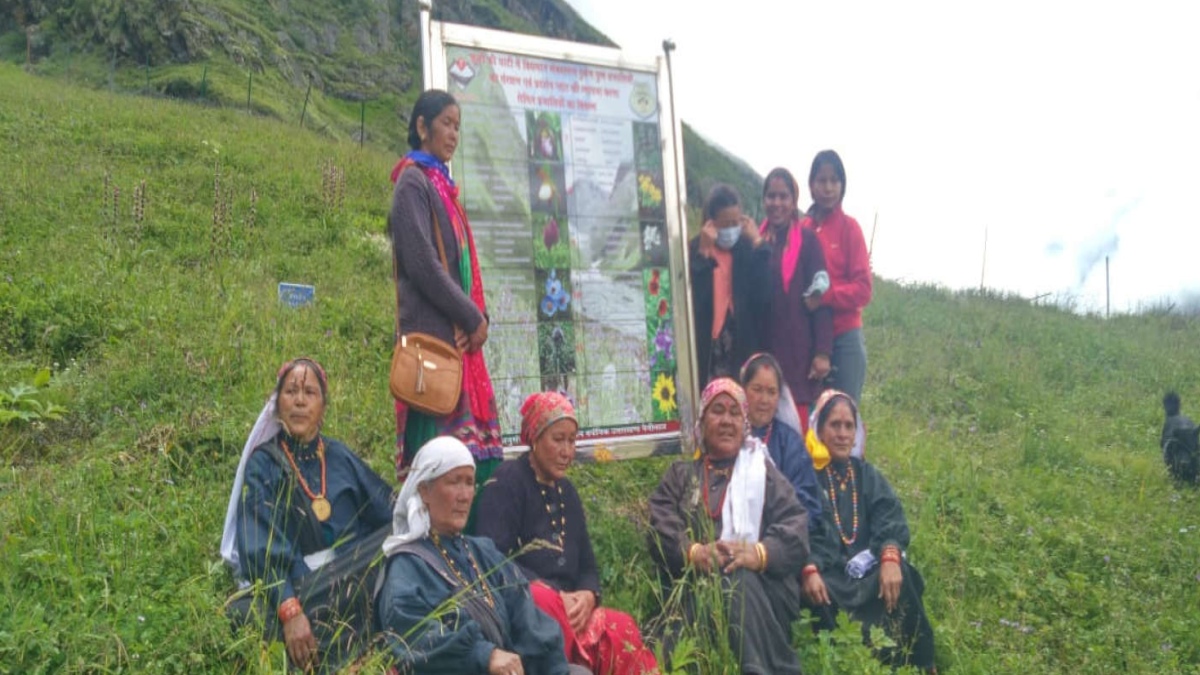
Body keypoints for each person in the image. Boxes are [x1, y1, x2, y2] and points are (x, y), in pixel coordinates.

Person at [222, 358, 393, 673]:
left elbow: (387, 511)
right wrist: (289, 609)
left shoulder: (339, 456)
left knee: (396, 541)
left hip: (353, 579)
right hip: (302, 588)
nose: (299, 401)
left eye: (310, 392)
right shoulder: (264, 465)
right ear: (277, 404)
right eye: (291, 392)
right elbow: (260, 544)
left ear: (323, 407)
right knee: (243, 613)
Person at [476, 392, 659, 675]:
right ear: (535, 438)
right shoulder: (507, 481)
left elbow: (587, 564)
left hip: (572, 610)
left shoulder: (568, 493)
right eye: (558, 439)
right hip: (527, 607)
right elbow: (492, 557)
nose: (567, 451)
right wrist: (546, 590)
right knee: (544, 601)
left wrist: (587, 595)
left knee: (620, 626)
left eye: (572, 440)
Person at [376, 437, 579, 675]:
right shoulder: (407, 566)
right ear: (425, 491)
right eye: (454, 482)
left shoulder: (482, 552)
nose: (464, 495)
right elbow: (413, 636)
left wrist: (553, 668)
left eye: (469, 483)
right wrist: (484, 655)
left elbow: (527, 619)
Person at [648, 378, 809, 675]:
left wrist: (759, 554)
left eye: (735, 413)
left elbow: (796, 526)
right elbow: (659, 522)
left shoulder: (763, 474)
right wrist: (693, 552)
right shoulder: (682, 475)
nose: (726, 421)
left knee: (737, 580)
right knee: (719, 587)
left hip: (762, 592)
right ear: (702, 421)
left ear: (744, 423)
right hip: (695, 588)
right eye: (717, 411)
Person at [388, 89, 504, 501]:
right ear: (422, 127)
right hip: (435, 347)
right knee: (440, 465)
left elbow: (464, 266)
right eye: (447, 124)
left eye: (458, 126)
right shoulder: (412, 183)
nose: (454, 134)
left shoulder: (443, 188)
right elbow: (423, 265)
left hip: (461, 344)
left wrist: (480, 319)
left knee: (473, 464)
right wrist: (471, 317)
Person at [802, 390, 936, 672]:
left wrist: (889, 556)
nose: (842, 433)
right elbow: (806, 532)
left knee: (905, 575)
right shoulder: (808, 480)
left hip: (871, 568)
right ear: (820, 430)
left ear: (856, 432)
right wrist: (811, 567)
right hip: (833, 574)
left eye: (848, 425)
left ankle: (920, 663)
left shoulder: (867, 475)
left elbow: (889, 515)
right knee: (818, 591)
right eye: (834, 425)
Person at [759, 167, 833, 426]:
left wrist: (822, 352)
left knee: (797, 441)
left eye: (783, 197)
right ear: (764, 200)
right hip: (766, 355)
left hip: (799, 356)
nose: (777, 203)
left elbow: (821, 299)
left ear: (794, 202)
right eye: (771, 196)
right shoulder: (758, 242)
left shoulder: (808, 241)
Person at [801, 151, 872, 405]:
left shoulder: (850, 228)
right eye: (822, 180)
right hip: (810, 338)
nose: (828, 188)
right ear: (811, 185)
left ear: (842, 185)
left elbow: (863, 289)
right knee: (809, 422)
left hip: (845, 338)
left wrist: (826, 297)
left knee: (842, 417)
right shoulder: (803, 229)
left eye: (834, 180)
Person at [689, 183, 771, 386]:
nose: (730, 230)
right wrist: (703, 256)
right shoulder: (695, 249)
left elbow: (764, 296)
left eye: (735, 223)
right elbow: (697, 303)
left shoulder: (746, 249)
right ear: (711, 223)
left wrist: (759, 245)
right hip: (709, 348)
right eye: (724, 224)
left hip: (741, 346)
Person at [739, 352, 823, 520]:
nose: (764, 400)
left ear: (779, 396)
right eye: (757, 390)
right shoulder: (730, 435)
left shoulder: (790, 443)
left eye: (771, 392)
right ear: (743, 390)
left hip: (781, 532)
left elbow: (806, 501)